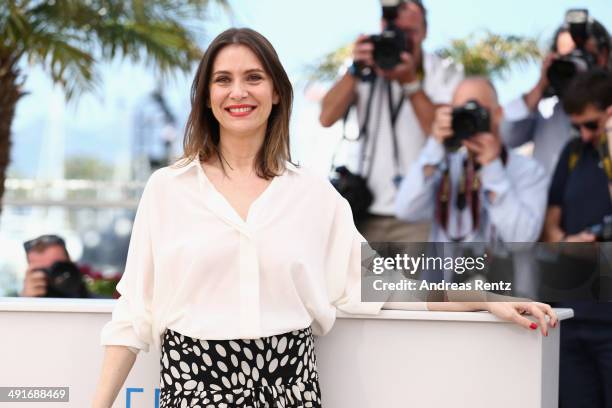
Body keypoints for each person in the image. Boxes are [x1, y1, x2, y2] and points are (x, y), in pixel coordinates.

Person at [93, 28, 556, 408]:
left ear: (276, 92)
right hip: (193, 392)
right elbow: (133, 312)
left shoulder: (312, 194)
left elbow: (381, 282)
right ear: (206, 96)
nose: (238, 92)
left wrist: (484, 297)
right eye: (223, 80)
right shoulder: (167, 191)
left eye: (253, 77)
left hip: (291, 392)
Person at [319, 0, 463, 242]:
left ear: (425, 32)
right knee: (361, 281)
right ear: (382, 26)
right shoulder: (363, 65)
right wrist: (355, 70)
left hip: (418, 217)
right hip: (364, 212)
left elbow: (441, 131)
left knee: (414, 282)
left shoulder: (442, 70)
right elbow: (326, 117)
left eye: (409, 33)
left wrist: (410, 83)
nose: (400, 39)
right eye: (394, 31)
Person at [395, 77, 548, 244]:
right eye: (461, 112)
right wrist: (435, 144)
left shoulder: (529, 170)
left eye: (476, 111)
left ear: (498, 114)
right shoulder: (446, 166)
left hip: (504, 270)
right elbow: (406, 210)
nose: (469, 119)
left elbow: (522, 239)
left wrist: (492, 168)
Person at [542, 69, 612, 408]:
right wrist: (567, 243)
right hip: (571, 315)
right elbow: (550, 222)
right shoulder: (572, 152)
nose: (584, 134)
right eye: (577, 125)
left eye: (592, 124)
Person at [501, 16, 611, 179]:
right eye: (567, 57)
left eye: (582, 55)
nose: (576, 64)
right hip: (551, 203)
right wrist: (540, 86)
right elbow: (506, 135)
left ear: (603, 57)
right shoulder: (546, 109)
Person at [21, 234, 90, 298]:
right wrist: (26, 301)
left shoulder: (94, 302)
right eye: (44, 271)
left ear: (70, 263)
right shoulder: (22, 303)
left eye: (58, 268)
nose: (54, 277)